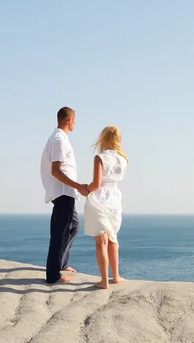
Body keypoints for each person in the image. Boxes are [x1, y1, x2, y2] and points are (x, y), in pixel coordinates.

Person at [40, 107, 89, 284]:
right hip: (62, 192)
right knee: (59, 234)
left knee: (74, 225)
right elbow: (56, 170)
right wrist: (78, 186)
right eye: (75, 119)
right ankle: (53, 275)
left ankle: (61, 263)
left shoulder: (60, 139)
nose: (75, 123)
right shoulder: (59, 140)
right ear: (69, 120)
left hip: (66, 192)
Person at [83, 126, 129, 289]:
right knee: (113, 238)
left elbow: (96, 185)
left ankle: (104, 281)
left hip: (99, 200)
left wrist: (84, 189)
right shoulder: (124, 159)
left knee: (101, 242)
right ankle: (116, 276)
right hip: (114, 200)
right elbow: (117, 182)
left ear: (103, 138)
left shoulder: (100, 158)